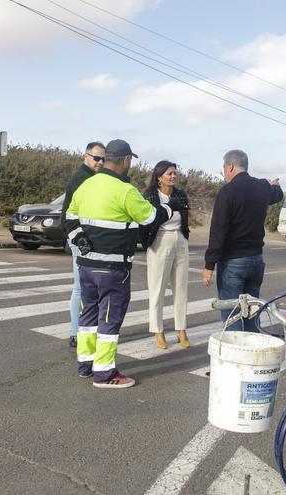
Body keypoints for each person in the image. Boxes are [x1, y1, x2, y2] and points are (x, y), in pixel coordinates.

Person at [64, 139, 180, 388]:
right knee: (109, 319)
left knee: (89, 316)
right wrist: (170, 209)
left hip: (86, 266)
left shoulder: (86, 185)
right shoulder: (125, 190)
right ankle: (104, 373)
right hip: (113, 268)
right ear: (126, 160)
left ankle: (85, 364)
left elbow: (69, 217)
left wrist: (80, 239)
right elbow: (150, 217)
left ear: (106, 159)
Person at [203, 149, 283, 331]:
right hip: (256, 261)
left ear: (230, 166)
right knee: (251, 315)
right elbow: (277, 195)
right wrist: (275, 186)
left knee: (233, 316)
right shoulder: (262, 187)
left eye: (224, 168)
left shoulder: (227, 192)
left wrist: (209, 265)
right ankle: (253, 355)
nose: (224, 172)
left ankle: (237, 357)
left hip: (233, 264)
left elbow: (218, 231)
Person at [140, 161, 191, 350]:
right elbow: (145, 221)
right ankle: (158, 331)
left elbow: (185, 218)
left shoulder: (180, 195)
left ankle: (181, 329)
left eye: (175, 173)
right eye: (169, 173)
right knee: (158, 289)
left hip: (180, 239)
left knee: (181, 288)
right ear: (159, 176)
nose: (173, 176)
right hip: (159, 241)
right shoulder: (150, 196)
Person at [61, 141, 104, 350]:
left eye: (103, 158)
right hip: (80, 238)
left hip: (83, 237)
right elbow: (74, 213)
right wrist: (78, 238)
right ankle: (76, 333)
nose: (100, 162)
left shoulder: (92, 178)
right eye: (96, 158)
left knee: (83, 285)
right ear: (85, 157)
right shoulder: (82, 178)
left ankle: (79, 331)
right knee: (80, 286)